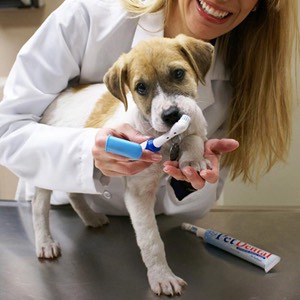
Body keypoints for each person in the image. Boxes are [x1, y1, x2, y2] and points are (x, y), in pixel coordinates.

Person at [0, 0, 298, 217]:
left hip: (158, 229)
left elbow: (203, 196)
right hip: (61, 217)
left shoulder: (244, 74)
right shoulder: (86, 18)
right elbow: (8, 132)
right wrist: (89, 149)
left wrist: (189, 176)